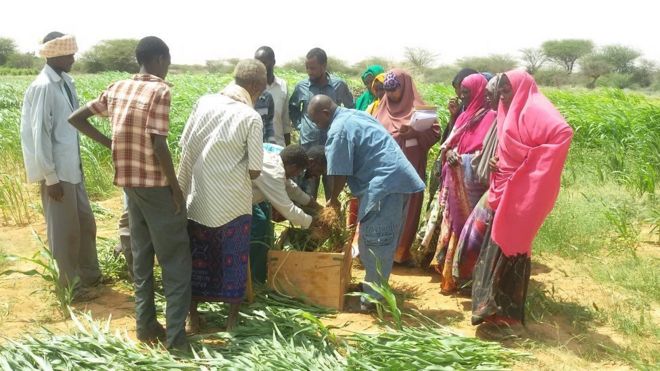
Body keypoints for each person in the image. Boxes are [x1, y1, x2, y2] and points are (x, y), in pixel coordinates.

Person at [69, 36, 191, 350]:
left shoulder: (118, 87)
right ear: (161, 58)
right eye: (168, 61)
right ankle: (177, 342)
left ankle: (145, 326)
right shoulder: (160, 90)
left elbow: (77, 118)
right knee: (176, 262)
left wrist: (111, 144)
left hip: (129, 186)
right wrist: (176, 190)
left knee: (142, 257)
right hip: (155, 187)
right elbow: (159, 143)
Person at [471, 70, 573, 332]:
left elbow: (562, 134)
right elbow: (506, 147)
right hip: (503, 188)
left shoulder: (536, 109)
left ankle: (505, 316)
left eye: (507, 91)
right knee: (496, 245)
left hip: (525, 192)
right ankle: (488, 311)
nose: (503, 96)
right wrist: (499, 162)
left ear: (520, 88)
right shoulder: (509, 110)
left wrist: (524, 165)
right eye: (501, 91)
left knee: (511, 246)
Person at [308, 95, 425, 311]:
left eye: (317, 121)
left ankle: (374, 300)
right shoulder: (356, 115)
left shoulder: (339, 129)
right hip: (392, 181)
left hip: (384, 185)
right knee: (371, 241)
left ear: (325, 113)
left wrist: (332, 201)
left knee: (376, 242)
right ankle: (374, 289)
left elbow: (339, 171)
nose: (318, 126)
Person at [177, 59, 266, 333]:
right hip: (232, 205)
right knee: (234, 261)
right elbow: (254, 170)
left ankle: (193, 317)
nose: (260, 94)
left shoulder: (203, 102)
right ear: (253, 86)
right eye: (261, 90)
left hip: (198, 200)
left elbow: (184, 145)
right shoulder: (251, 117)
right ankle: (230, 321)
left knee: (197, 260)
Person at [21, 32, 101, 300]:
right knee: (64, 233)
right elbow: (39, 135)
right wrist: (50, 177)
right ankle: (70, 288)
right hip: (57, 175)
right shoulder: (43, 86)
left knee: (85, 225)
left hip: (72, 169)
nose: (73, 59)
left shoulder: (66, 82)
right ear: (54, 54)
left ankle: (89, 277)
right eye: (69, 54)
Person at [430, 74, 496, 294]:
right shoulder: (463, 116)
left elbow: (490, 152)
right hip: (457, 181)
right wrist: (450, 154)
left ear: (478, 91)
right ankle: (453, 279)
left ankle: (471, 283)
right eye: (462, 92)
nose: (462, 96)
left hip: (478, 184)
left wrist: (465, 159)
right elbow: (448, 144)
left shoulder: (492, 117)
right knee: (456, 231)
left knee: (475, 233)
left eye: (467, 92)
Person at [374, 69, 440, 264]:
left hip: (410, 168)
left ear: (404, 88)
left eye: (394, 90)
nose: (391, 94)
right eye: (388, 90)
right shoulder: (382, 108)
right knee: (383, 208)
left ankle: (399, 253)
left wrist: (413, 133)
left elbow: (434, 134)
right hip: (384, 170)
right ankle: (379, 250)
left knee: (406, 209)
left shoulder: (418, 109)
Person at [249, 144, 320, 283]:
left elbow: (292, 189)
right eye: (298, 171)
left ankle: (257, 275)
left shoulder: (278, 164)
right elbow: (288, 210)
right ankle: (253, 278)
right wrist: (314, 223)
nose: (297, 175)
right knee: (257, 232)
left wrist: (318, 207)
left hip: (246, 201)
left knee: (263, 227)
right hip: (232, 202)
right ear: (293, 166)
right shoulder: (274, 172)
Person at [289, 47, 354, 199]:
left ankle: (332, 222)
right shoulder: (301, 87)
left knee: (332, 192)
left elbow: (351, 108)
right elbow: (292, 108)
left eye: (312, 68)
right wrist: (300, 125)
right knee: (306, 193)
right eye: (307, 68)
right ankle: (308, 223)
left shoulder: (339, 86)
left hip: (331, 149)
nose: (309, 71)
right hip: (308, 147)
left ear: (324, 66)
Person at [254, 46, 292, 146]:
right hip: (257, 147)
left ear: (273, 62)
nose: (259, 66)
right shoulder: (250, 87)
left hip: (278, 146)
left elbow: (285, 121)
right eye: (257, 63)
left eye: (264, 62)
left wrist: (287, 149)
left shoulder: (282, 85)